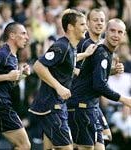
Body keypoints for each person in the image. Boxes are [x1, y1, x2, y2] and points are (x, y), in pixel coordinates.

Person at [28, 9, 96, 150]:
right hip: (53, 106)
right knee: (66, 148)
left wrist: (85, 54)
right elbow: (38, 66)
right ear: (70, 27)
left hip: (56, 106)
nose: (86, 28)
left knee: (49, 148)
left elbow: (67, 61)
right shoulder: (61, 46)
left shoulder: (70, 47)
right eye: (82, 24)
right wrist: (59, 87)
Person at [67, 18, 131, 150]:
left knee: (106, 138)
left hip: (91, 106)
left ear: (124, 36)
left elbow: (92, 76)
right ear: (105, 32)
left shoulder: (106, 53)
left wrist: (111, 71)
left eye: (120, 32)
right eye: (112, 31)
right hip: (82, 106)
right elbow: (99, 85)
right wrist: (124, 99)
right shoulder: (102, 53)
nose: (115, 35)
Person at [0, 22, 31, 149]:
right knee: (24, 145)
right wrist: (7, 76)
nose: (27, 37)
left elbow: (8, 84)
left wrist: (22, 75)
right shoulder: (2, 54)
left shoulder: (13, 57)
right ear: (12, 35)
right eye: (23, 33)